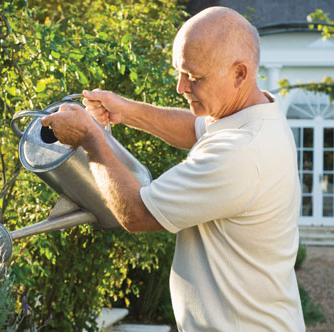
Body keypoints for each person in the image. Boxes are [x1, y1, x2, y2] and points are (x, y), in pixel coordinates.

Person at [40, 6, 305, 332]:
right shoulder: (255, 115)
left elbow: (136, 213)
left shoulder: (240, 154)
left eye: (193, 77)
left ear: (239, 74)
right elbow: (196, 127)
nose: (181, 87)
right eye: (178, 72)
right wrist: (126, 111)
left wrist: (91, 140)